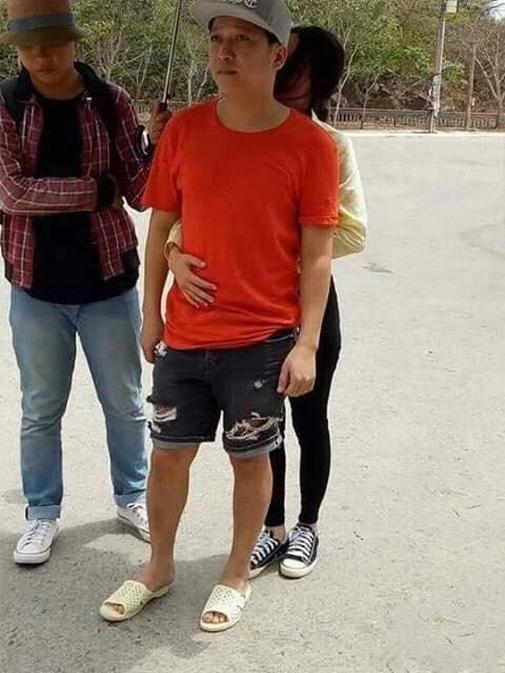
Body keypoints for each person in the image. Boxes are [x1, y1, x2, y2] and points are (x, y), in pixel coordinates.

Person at [100, 0, 339, 632]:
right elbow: (160, 228)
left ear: (278, 54)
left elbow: (318, 255)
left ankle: (235, 572)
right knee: (168, 454)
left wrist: (306, 344)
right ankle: (158, 566)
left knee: (249, 458)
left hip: (261, 339)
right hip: (185, 335)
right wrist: (150, 313)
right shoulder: (185, 130)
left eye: (244, 40)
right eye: (218, 39)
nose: (225, 51)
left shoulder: (312, 146)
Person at [165, 25, 367, 580]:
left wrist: (275, 246)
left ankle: (307, 525)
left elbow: (351, 232)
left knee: (310, 417)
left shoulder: (327, 144)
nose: (280, 71)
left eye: (293, 64)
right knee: (263, 424)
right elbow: (195, 213)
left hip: (307, 304)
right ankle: (271, 530)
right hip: (249, 307)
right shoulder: (229, 129)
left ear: (312, 78)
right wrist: (175, 250)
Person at [0, 0, 162, 565]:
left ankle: (133, 496)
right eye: (29, 46)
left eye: (52, 42)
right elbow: (11, 192)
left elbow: (141, 191)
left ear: (73, 42)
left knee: (125, 403)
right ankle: (41, 512)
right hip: (35, 284)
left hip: (108, 280)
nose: (42, 55)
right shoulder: (6, 105)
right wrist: (97, 190)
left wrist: (159, 145)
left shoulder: (111, 100)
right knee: (40, 409)